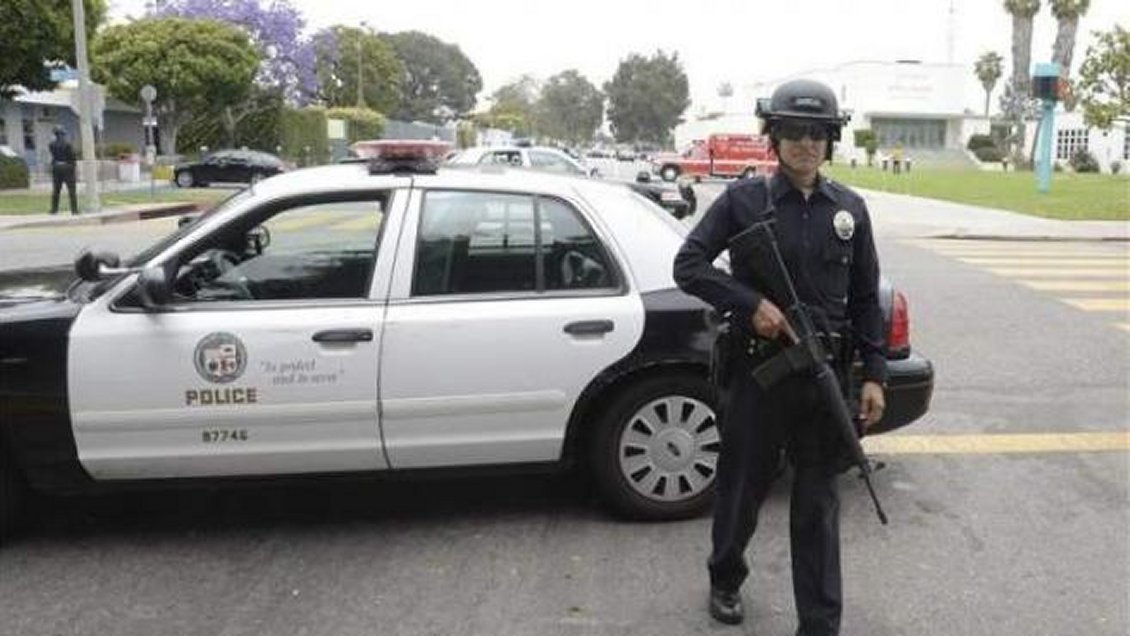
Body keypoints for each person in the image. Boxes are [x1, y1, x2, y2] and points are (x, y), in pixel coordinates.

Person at [673, 79, 887, 635]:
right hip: (760, 375)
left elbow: (866, 299)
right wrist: (750, 305)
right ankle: (724, 576)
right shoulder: (744, 202)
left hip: (825, 379)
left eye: (817, 133)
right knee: (742, 491)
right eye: (793, 131)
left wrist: (875, 376)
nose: (805, 144)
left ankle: (819, 623)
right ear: (774, 137)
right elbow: (689, 265)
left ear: (831, 141)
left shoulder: (851, 210)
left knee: (817, 506)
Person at [49, 126, 78, 215]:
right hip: (67, 167)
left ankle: (54, 209)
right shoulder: (68, 144)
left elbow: (53, 155)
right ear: (63, 134)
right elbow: (72, 157)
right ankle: (74, 210)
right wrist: (73, 166)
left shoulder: (51, 145)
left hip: (57, 167)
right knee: (71, 190)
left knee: (56, 190)